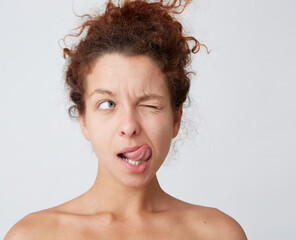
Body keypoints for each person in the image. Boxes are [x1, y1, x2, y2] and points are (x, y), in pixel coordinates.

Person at [5, 0, 247, 239]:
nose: (129, 126)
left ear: (176, 118)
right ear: (83, 120)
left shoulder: (218, 234)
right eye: (107, 104)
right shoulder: (33, 235)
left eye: (149, 105)